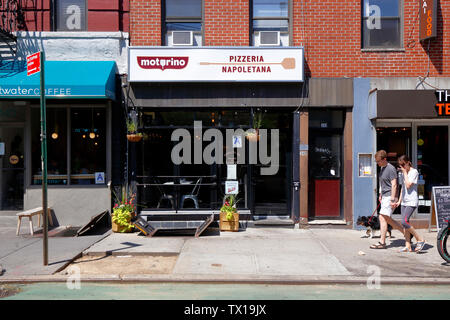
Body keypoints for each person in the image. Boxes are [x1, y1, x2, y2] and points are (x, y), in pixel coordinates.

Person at [370, 150, 405, 249]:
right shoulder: (382, 168)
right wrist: (380, 194)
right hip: (385, 196)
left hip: (390, 196)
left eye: (379, 161)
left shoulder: (391, 169)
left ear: (384, 159)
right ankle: (406, 233)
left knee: (382, 217)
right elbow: (382, 183)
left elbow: (394, 184)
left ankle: (382, 242)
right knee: (387, 219)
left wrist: (393, 199)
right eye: (376, 162)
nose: (378, 163)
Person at [394, 155, 426, 253]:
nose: (402, 167)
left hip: (411, 201)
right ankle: (407, 245)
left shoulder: (414, 172)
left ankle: (420, 239)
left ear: (408, 162)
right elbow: (403, 188)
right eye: (400, 165)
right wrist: (399, 201)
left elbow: (408, 185)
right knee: (404, 224)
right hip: (404, 201)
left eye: (403, 164)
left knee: (404, 222)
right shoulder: (404, 173)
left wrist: (404, 173)